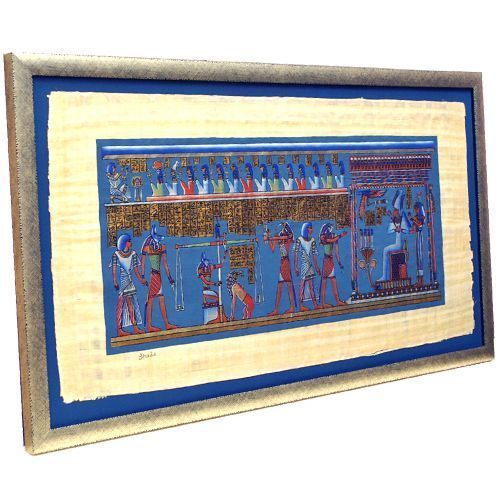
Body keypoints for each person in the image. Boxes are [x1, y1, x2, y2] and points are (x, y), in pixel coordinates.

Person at [140, 223, 177, 332]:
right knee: (152, 299)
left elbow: (165, 264)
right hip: (154, 276)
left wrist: (169, 277)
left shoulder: (161, 247)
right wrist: (142, 276)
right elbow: (142, 263)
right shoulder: (148, 247)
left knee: (160, 299)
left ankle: (166, 324)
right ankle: (150, 325)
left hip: (157, 276)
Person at [110, 233, 147, 336]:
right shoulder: (116, 254)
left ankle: (134, 327)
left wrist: (141, 280)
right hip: (123, 282)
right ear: (125, 243)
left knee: (130, 305)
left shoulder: (133, 254)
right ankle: (120, 329)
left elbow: (135, 270)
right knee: (121, 305)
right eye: (129, 241)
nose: (131, 242)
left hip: (129, 281)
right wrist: (114, 281)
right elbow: (114, 269)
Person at [377, 189, 411, 283]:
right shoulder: (394, 219)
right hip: (396, 243)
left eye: (396, 210)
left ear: (399, 211)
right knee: (385, 249)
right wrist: (395, 228)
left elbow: (407, 230)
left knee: (385, 250)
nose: (394, 212)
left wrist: (401, 229)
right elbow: (390, 231)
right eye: (394, 210)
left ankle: (385, 276)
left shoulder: (402, 218)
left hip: (400, 244)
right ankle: (384, 276)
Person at [264, 222, 296, 316]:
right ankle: (277, 309)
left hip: (286, 263)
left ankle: (291, 308)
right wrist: (268, 237)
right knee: (280, 287)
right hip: (283, 263)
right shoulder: (279, 238)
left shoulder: (287, 238)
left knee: (288, 286)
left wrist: (270, 238)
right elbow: (272, 248)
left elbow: (285, 237)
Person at [319, 223, 347, 307]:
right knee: (324, 281)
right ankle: (323, 303)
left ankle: (337, 301)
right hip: (326, 261)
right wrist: (340, 236)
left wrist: (339, 262)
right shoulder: (325, 238)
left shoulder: (333, 237)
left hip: (330, 261)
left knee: (333, 280)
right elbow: (331, 240)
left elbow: (336, 252)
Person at [294, 222, 321, 311]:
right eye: (309, 228)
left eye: (311, 228)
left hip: (309, 264)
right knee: (302, 285)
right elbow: (296, 254)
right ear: (305, 229)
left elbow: (313, 255)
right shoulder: (299, 239)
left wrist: (317, 268)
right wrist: (296, 266)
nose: (311, 229)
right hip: (303, 265)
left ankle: (315, 304)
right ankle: (301, 305)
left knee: (311, 286)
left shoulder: (312, 240)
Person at [410, 199, 426, 286]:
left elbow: (419, 224)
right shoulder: (416, 217)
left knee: (420, 257)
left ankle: (421, 280)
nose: (415, 211)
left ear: (419, 209)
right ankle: (419, 280)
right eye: (415, 209)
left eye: (416, 209)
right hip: (417, 236)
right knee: (418, 257)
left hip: (420, 236)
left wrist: (413, 220)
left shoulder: (421, 217)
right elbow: (413, 229)